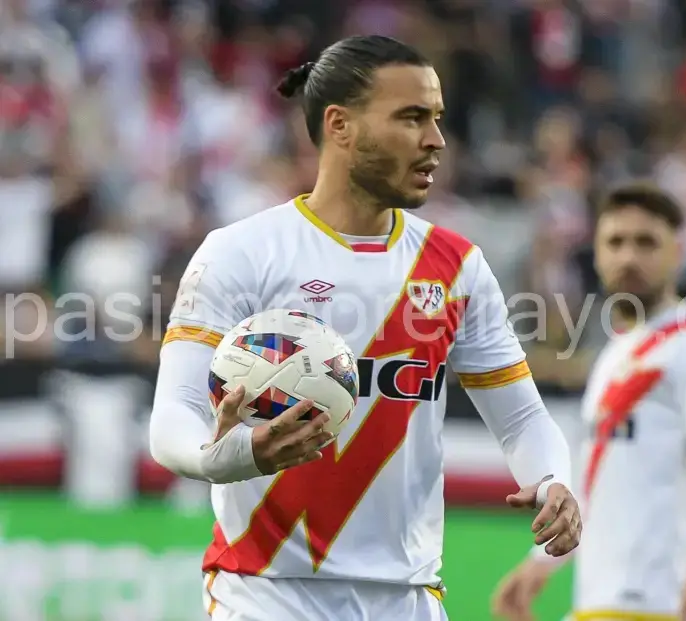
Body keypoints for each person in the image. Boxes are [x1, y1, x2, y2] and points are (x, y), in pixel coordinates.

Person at [148, 35, 581, 621]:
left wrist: (553, 479)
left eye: (437, 119)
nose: (436, 141)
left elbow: (524, 419)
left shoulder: (457, 266)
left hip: (408, 599)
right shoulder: (241, 253)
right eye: (411, 118)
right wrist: (222, 457)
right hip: (266, 590)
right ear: (340, 125)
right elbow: (174, 411)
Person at [492, 183, 686, 621]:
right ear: (596, 253)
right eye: (616, 242)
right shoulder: (615, 354)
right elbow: (599, 480)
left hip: (661, 597)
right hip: (600, 599)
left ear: (677, 251)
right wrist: (541, 563)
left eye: (646, 242)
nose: (629, 257)